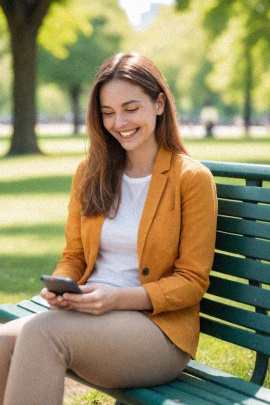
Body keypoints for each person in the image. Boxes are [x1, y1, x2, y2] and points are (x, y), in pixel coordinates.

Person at [0, 52, 218, 405]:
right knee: (2, 341)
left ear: (159, 103)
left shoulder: (190, 179)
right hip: (88, 315)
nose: (119, 122)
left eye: (131, 108)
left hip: (156, 331)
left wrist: (117, 298)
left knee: (42, 333)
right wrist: (61, 286)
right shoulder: (91, 173)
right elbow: (73, 255)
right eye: (108, 113)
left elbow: (192, 282)